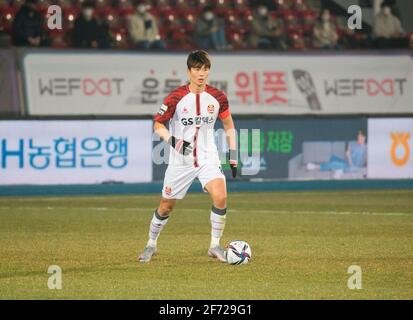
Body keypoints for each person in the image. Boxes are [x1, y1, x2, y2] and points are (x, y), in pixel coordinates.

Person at [138, 50, 238, 263]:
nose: (201, 74)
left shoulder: (218, 97)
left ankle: (215, 245)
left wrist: (234, 154)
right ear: (189, 71)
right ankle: (151, 244)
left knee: (220, 197)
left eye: (205, 69)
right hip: (180, 161)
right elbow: (158, 125)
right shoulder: (176, 97)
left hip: (207, 157)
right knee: (166, 206)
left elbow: (229, 125)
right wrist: (175, 142)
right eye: (197, 69)